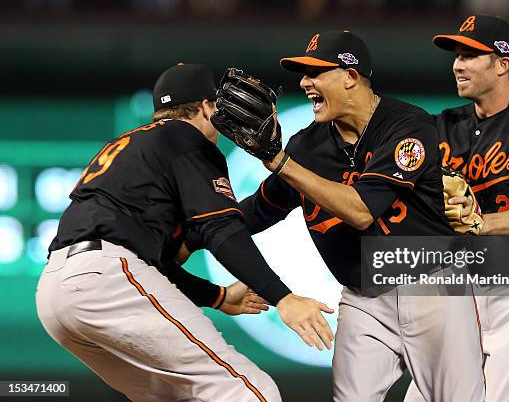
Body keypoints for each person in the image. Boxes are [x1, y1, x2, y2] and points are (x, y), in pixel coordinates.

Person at [35, 63, 334, 402]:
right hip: (106, 275)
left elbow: (155, 265)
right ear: (208, 108)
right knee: (248, 390)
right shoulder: (185, 138)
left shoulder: (137, 145)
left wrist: (217, 297)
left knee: (181, 396)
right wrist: (283, 297)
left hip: (55, 294)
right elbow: (220, 228)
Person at [236, 31, 485, 402]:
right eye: (304, 73)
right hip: (364, 298)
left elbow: (361, 210)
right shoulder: (306, 146)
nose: (305, 82)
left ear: (351, 76)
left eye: (317, 72)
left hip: (433, 289)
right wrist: (185, 227)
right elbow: (256, 212)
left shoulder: (408, 127)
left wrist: (279, 162)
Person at [404, 15, 509, 402]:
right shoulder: (444, 125)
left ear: (502, 64)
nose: (457, 64)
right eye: (456, 55)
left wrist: (478, 224)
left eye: (470, 55)